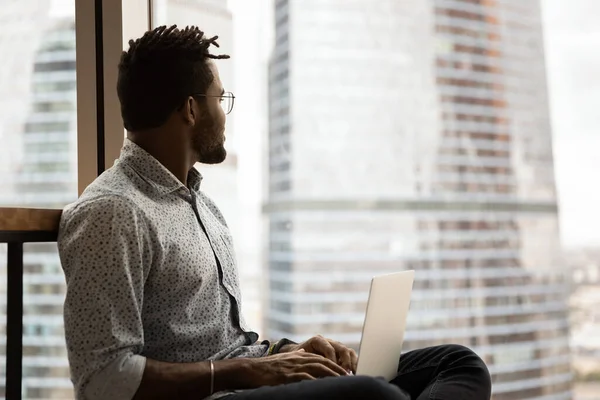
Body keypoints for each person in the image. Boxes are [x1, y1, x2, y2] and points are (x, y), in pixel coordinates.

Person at [58, 25, 492, 400]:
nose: (224, 115)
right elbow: (102, 381)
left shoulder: (199, 204)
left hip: (246, 384)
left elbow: (231, 344)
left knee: (457, 364)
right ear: (190, 108)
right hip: (213, 396)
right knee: (374, 395)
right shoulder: (112, 213)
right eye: (219, 98)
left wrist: (289, 353)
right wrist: (250, 371)